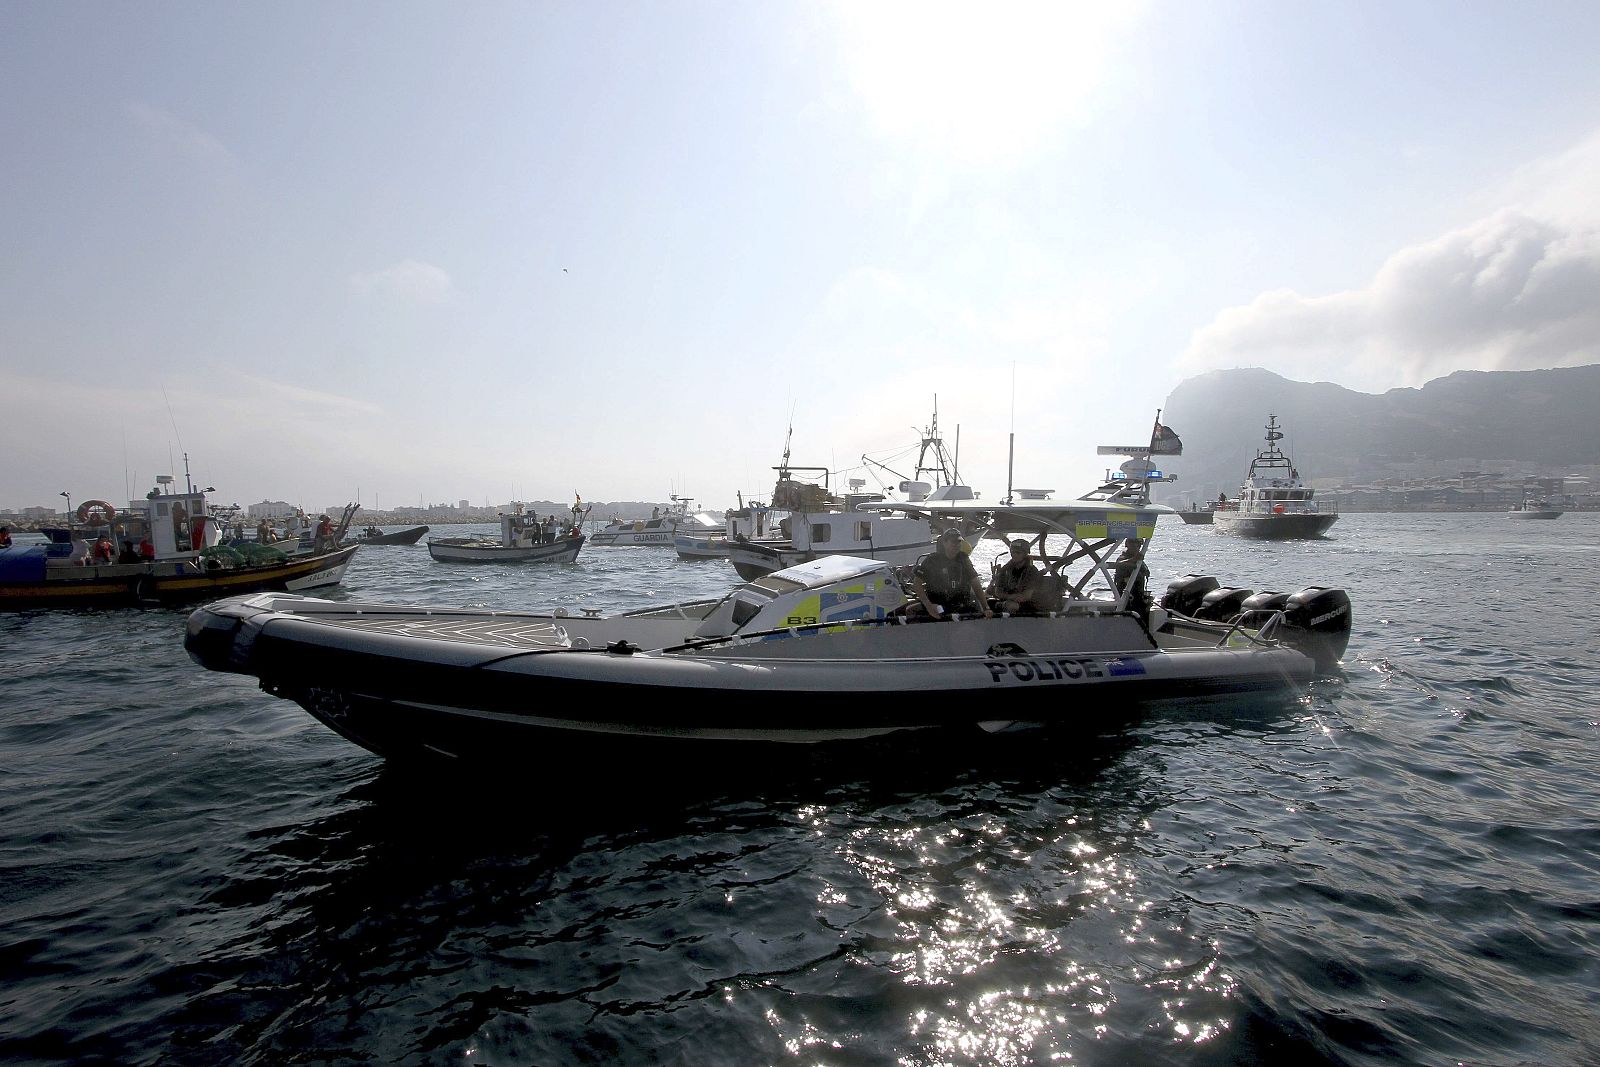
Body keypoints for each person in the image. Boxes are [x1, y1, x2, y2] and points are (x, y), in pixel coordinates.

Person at [911, 528, 992, 620]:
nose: (956, 544)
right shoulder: (932, 560)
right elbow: (917, 583)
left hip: (961, 605)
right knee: (911, 610)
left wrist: (986, 607)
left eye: (959, 542)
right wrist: (928, 605)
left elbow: (975, 582)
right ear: (944, 543)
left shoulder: (964, 559)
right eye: (953, 542)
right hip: (938, 605)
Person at [988, 538, 1042, 615]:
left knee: (1011, 606)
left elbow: (1026, 597)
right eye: (1013, 552)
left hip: (1028, 605)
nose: (1014, 555)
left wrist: (1008, 597)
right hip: (1007, 600)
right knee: (986, 603)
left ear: (1025, 554)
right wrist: (1011, 597)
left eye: (1018, 553)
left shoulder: (1031, 571)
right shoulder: (1006, 569)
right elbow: (998, 592)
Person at [1111, 537, 1151, 629]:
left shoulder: (1140, 561)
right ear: (1127, 544)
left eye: (1137, 544)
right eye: (1132, 543)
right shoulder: (1123, 558)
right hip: (1126, 598)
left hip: (1138, 597)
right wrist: (1134, 559)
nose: (1135, 546)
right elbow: (1119, 564)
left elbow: (1146, 572)